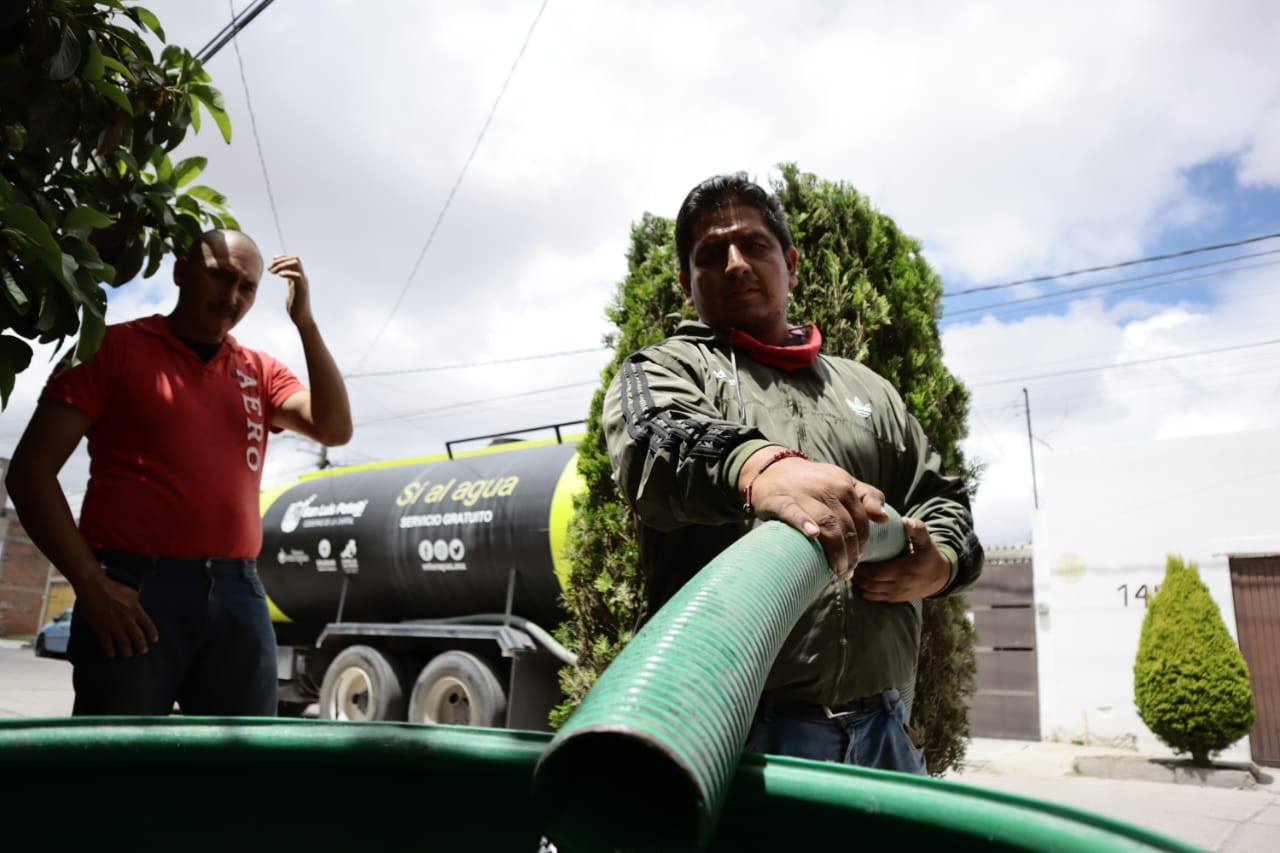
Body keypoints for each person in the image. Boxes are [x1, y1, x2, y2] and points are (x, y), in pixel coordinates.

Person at [602, 173, 983, 774]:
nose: (734, 264)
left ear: (791, 263)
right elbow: (652, 439)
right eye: (710, 255)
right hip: (736, 734)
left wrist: (943, 564)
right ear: (687, 283)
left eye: (754, 245)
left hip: (886, 729)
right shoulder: (667, 367)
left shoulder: (867, 390)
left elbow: (941, 495)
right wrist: (757, 468)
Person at [5, 229, 352, 717]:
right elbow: (29, 474)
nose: (231, 296)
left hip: (238, 592)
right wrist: (91, 584)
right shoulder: (107, 348)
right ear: (181, 271)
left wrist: (306, 324)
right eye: (219, 276)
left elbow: (335, 429)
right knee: (118, 769)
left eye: (247, 287)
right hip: (133, 588)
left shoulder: (261, 369)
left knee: (240, 768)